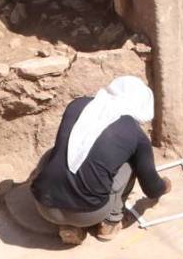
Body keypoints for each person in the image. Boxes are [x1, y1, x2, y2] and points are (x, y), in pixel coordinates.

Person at [31, 76, 171, 245]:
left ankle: (69, 228)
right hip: (89, 213)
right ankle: (110, 223)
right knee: (131, 162)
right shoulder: (135, 134)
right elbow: (151, 189)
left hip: (44, 206)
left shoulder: (77, 105)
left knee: (56, 152)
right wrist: (164, 186)